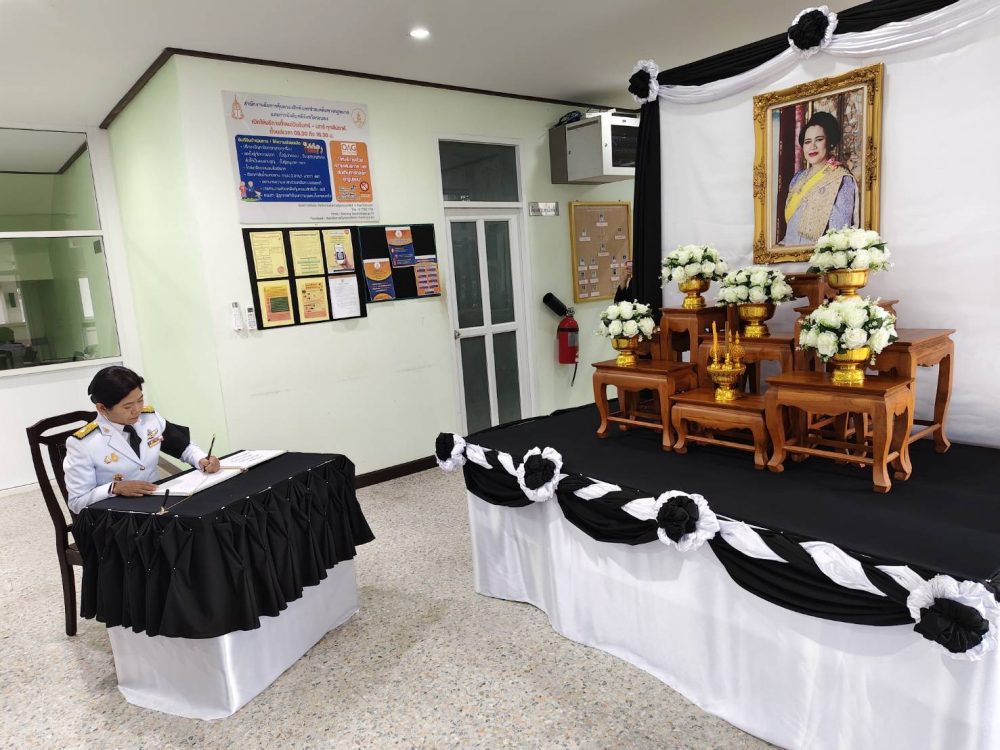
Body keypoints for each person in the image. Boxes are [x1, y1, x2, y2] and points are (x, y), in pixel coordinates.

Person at [63, 366, 220, 514]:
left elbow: (183, 447)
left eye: (140, 400)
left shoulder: (150, 418)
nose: (137, 410)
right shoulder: (83, 443)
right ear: (102, 408)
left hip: (158, 503)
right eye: (127, 406)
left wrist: (202, 459)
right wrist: (114, 488)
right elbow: (77, 502)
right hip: (117, 515)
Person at [780, 111, 859, 245]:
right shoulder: (797, 179)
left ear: (829, 142)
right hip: (789, 253)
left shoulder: (841, 179)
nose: (812, 146)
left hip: (818, 254)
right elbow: (790, 230)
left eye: (819, 139)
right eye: (807, 142)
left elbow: (840, 234)